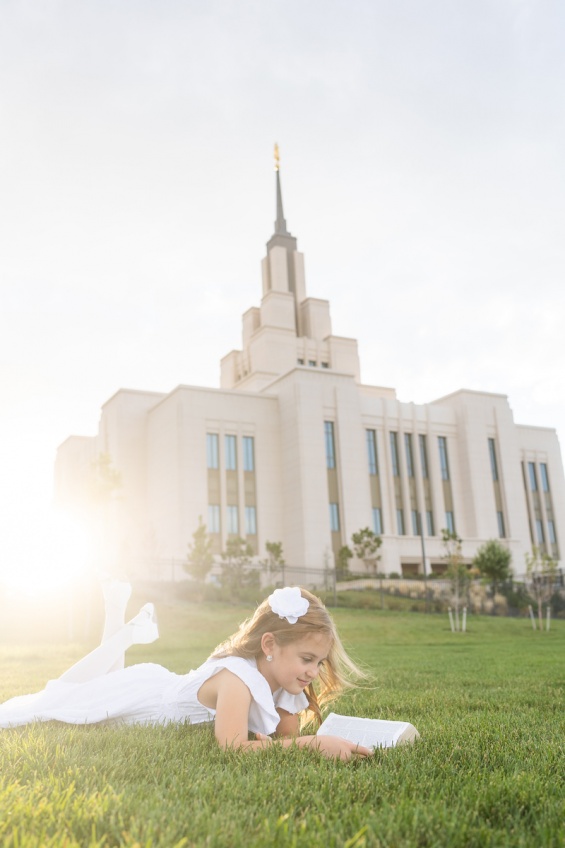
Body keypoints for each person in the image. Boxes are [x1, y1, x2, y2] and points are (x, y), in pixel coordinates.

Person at [0, 584, 372, 760]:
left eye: (319, 662)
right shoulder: (236, 680)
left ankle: (119, 618)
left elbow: (280, 738)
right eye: (307, 659)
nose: (313, 672)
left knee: (90, 683)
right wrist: (314, 745)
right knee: (66, 697)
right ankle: (116, 614)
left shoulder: (287, 680)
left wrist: (299, 737)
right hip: (145, 697)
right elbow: (235, 749)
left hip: (162, 682)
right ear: (270, 645)